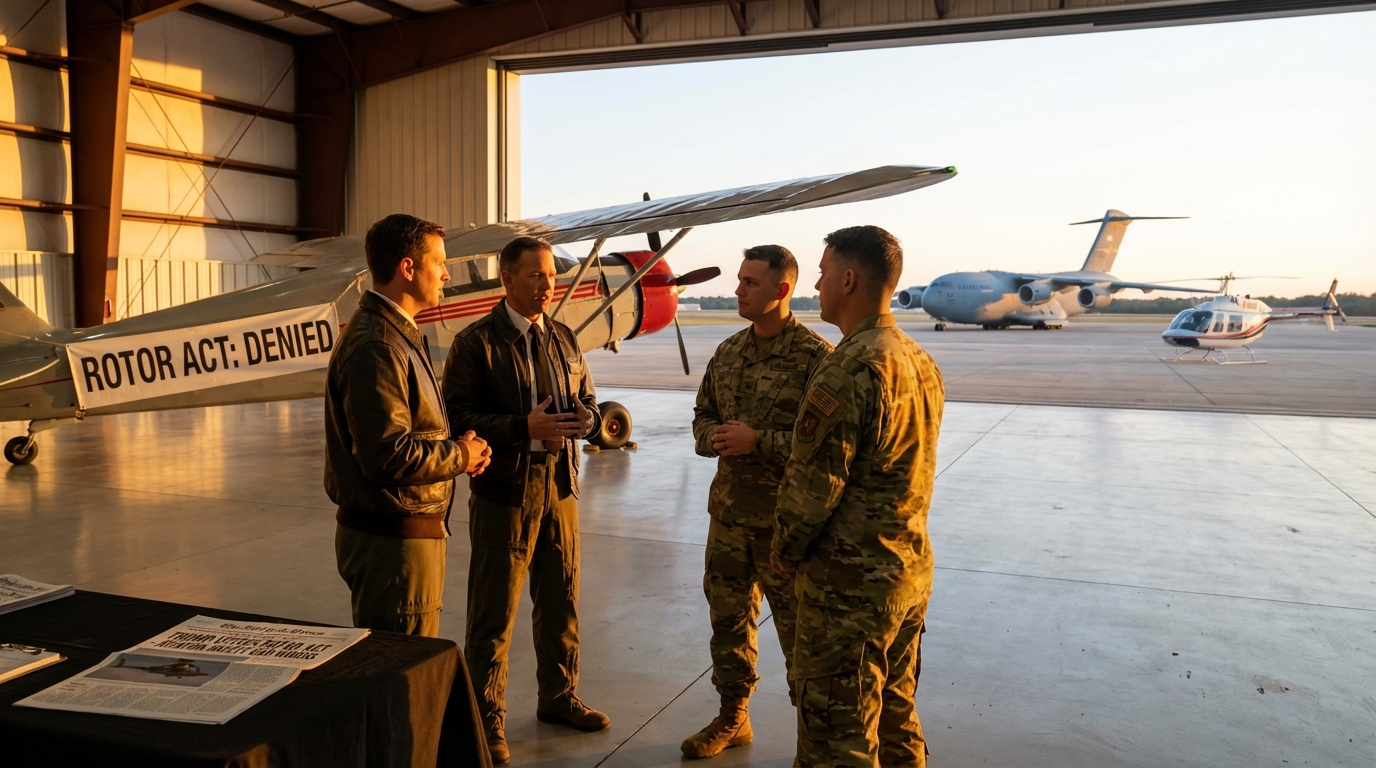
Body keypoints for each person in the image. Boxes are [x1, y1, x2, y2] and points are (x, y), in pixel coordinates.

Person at [770, 226, 944, 767]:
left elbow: (812, 489)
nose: (816, 284)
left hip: (849, 593)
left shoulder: (847, 369)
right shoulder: (917, 359)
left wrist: (783, 553)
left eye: (822, 273)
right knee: (895, 717)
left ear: (848, 280)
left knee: (836, 739)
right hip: (906, 574)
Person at [443, 236, 608, 765]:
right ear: (508, 279)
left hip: (560, 486)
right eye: (536, 275)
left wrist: (588, 418)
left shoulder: (563, 337)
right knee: (493, 613)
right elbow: (455, 418)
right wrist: (521, 427)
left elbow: (588, 398)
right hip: (505, 492)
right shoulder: (475, 343)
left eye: (552, 275)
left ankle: (559, 696)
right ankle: (485, 717)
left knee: (561, 599)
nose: (547, 285)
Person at [683, 245, 832, 759]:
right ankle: (733, 717)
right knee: (727, 624)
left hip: (784, 527)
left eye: (750, 282)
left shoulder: (815, 358)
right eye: (740, 280)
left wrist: (758, 442)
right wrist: (713, 437)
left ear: (781, 290)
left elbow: (825, 447)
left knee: (800, 637)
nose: (738, 290)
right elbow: (703, 413)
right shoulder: (728, 352)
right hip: (728, 518)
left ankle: (813, 741)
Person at [326, 213, 491, 638]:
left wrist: (455, 448)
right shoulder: (379, 343)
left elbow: (404, 433)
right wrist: (460, 456)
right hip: (394, 546)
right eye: (439, 263)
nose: (446, 274)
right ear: (408, 268)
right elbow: (387, 455)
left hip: (399, 537)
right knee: (402, 666)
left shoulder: (393, 333)